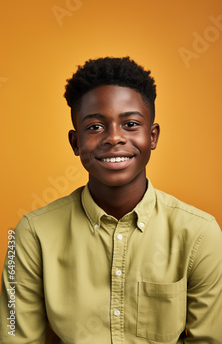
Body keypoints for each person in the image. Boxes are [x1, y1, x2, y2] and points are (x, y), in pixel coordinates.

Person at [0, 56, 221, 343]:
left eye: (130, 124)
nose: (114, 138)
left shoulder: (200, 234)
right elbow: (17, 338)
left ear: (152, 136)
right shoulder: (32, 234)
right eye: (94, 127)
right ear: (75, 142)